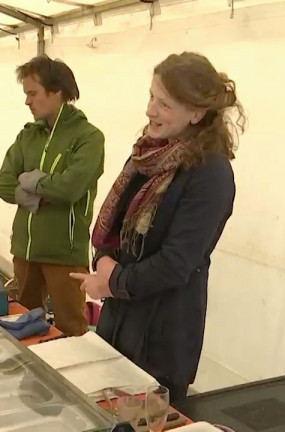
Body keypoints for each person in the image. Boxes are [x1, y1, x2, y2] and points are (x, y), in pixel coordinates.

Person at [71, 52, 245, 403]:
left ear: (196, 113)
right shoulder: (146, 155)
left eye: (164, 104)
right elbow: (111, 225)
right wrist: (104, 263)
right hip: (118, 322)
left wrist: (110, 282)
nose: (150, 110)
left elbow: (175, 264)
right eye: (151, 96)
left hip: (161, 339)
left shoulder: (211, 174)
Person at [0, 55, 105, 337]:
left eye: (33, 93)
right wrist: (41, 191)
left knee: (71, 328)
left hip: (64, 252)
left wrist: (32, 181)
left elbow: (71, 188)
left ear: (57, 92)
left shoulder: (88, 137)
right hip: (25, 250)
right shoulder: (27, 137)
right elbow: (4, 185)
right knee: (23, 323)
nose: (27, 101)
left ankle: (74, 379)